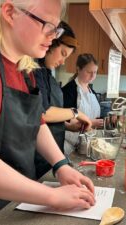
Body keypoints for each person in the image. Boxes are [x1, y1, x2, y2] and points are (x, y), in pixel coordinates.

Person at [0, 1, 95, 225]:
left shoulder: (23, 68)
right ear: (10, 13)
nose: (53, 36)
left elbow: (36, 123)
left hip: (11, 203)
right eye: (47, 25)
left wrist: (61, 165)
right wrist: (52, 196)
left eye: (56, 29)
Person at [34, 21, 92, 178]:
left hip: (51, 158)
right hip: (36, 157)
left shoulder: (48, 75)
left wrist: (67, 126)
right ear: (50, 43)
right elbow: (42, 114)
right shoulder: (33, 71)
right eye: (63, 54)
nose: (63, 62)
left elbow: (47, 118)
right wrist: (75, 112)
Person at [62, 53, 103, 154]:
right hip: (70, 147)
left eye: (95, 72)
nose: (93, 76)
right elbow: (66, 121)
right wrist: (90, 123)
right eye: (89, 72)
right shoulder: (68, 91)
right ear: (78, 69)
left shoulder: (91, 91)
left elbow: (94, 114)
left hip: (87, 143)